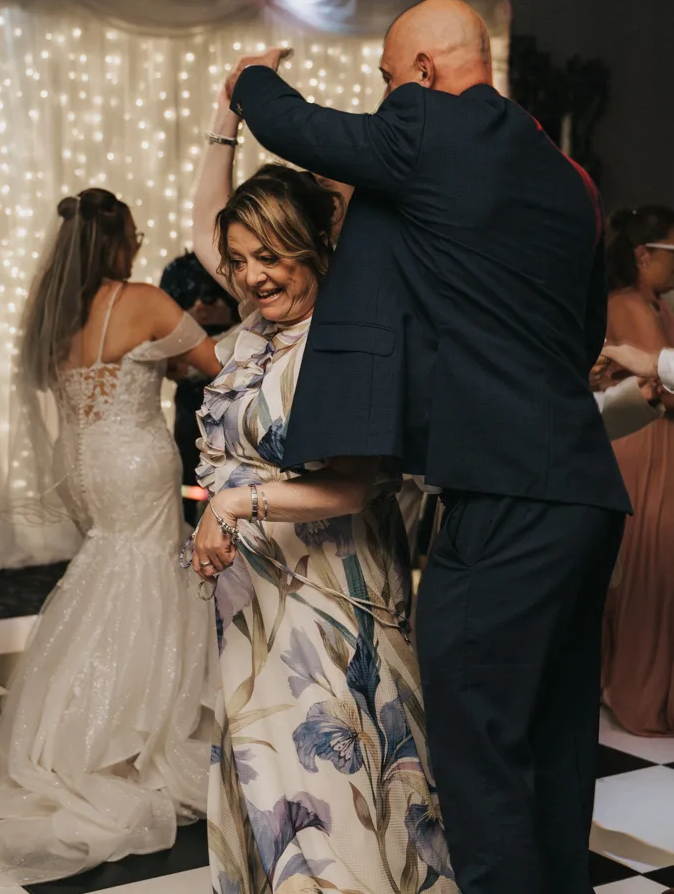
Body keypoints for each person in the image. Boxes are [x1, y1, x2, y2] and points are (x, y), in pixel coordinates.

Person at [223, 0, 631, 894]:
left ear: (421, 74)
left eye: (383, 83)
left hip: (503, 493)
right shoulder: (566, 177)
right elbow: (581, 327)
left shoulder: (429, 125)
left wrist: (249, 81)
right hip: (583, 492)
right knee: (557, 743)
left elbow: (303, 129)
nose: (380, 104)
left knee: (478, 744)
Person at [188, 87, 456, 894]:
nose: (249, 275)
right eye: (237, 260)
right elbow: (212, 217)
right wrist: (226, 117)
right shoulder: (253, 331)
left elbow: (352, 488)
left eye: (270, 257)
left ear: (314, 250)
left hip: (326, 602)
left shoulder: (342, 335)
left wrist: (235, 504)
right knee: (266, 776)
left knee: (323, 779)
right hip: (252, 599)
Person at [0, 188, 221, 884]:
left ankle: (78, 728)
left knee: (108, 571)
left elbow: (128, 365)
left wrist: (162, 359)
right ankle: (139, 729)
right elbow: (215, 364)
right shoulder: (142, 298)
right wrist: (194, 335)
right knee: (149, 570)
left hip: (91, 465)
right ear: (119, 240)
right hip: (139, 461)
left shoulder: (55, 314)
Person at [601, 205, 674, 735]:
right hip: (642, 442)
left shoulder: (654, 304)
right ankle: (637, 695)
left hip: (653, 440)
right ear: (644, 255)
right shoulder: (630, 305)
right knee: (646, 564)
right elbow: (656, 388)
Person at [160, 250, 239, 525]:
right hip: (192, 394)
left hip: (240, 391)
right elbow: (161, 339)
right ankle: (190, 527)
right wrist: (188, 320)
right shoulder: (178, 270)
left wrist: (228, 313)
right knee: (190, 472)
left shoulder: (238, 265)